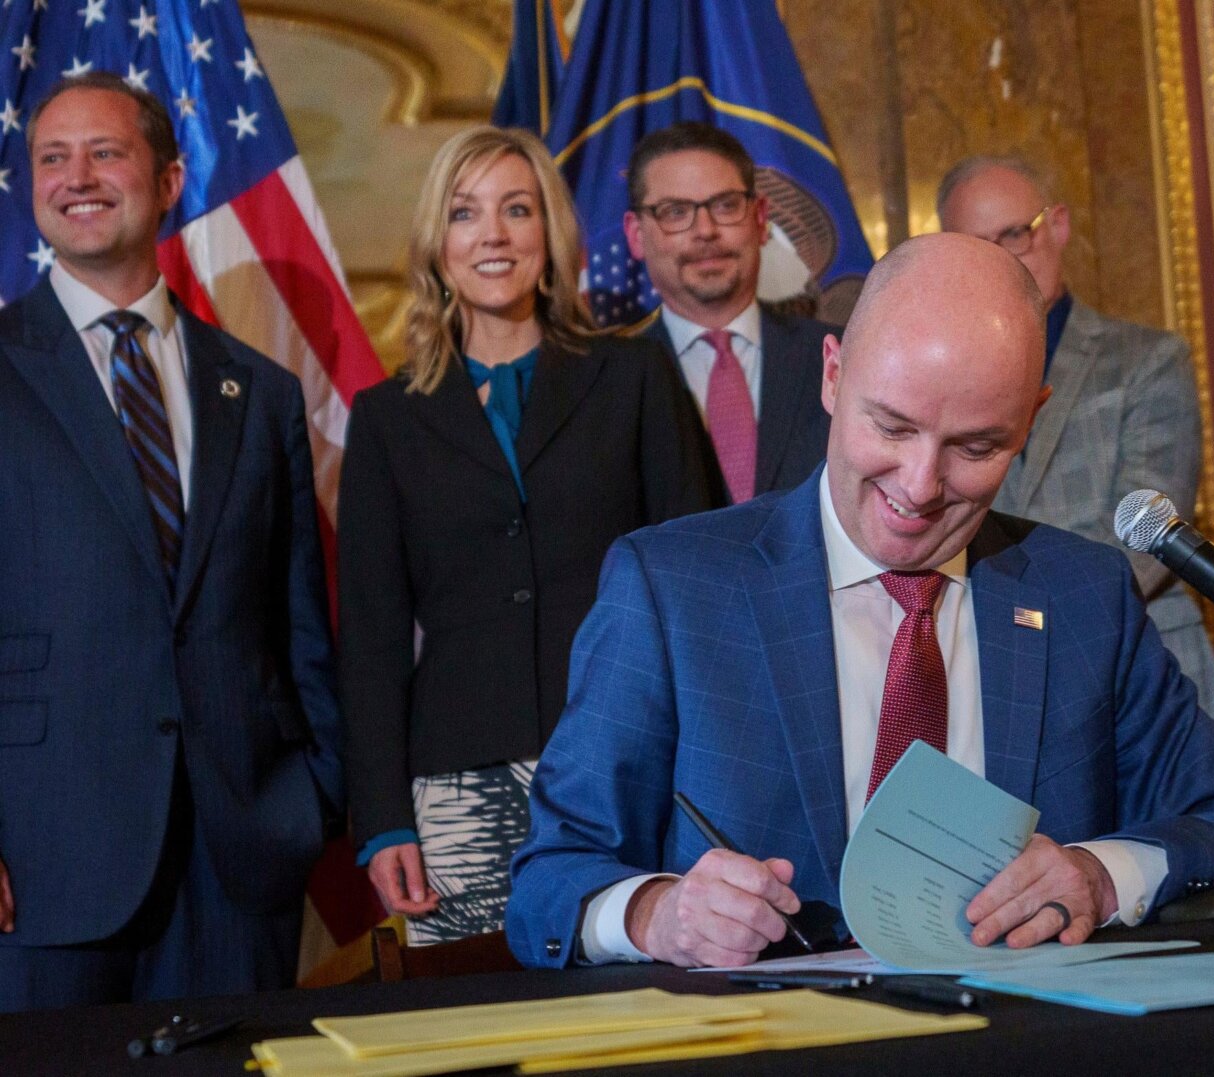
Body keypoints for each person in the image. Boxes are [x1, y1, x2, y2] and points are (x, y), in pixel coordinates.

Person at [506, 233, 1214, 969]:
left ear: (1031, 419)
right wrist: (655, 912)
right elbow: (550, 877)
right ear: (831, 376)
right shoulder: (673, 588)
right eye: (892, 427)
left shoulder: (1083, 597)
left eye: (976, 446)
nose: (921, 487)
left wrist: (1103, 876)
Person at [0, 75, 342, 1010]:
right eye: (51, 157)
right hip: (43, 860)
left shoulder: (260, 392)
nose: (78, 176)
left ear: (169, 177)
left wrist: (313, 804)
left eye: (105, 151)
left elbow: (296, 622)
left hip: (239, 861)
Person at [337, 127, 721, 943]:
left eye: (518, 209)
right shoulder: (384, 419)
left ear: (550, 235)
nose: (495, 234)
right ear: (437, 246)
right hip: (456, 790)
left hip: (626, 758)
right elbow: (369, 639)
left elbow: (700, 585)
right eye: (466, 213)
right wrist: (381, 819)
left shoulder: (635, 378)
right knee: (477, 1027)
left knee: (641, 1009)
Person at [937, 156, 1214, 705]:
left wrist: (1027, 620)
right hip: (999, 677)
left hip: (1145, 663)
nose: (1002, 262)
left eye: (1014, 235)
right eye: (978, 247)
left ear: (1058, 225)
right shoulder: (944, 385)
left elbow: (1149, 536)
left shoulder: (1148, 361)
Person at [624, 121, 834, 505]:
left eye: (725, 206)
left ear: (759, 218)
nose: (705, 230)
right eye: (675, 211)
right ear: (636, 235)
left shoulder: (840, 357)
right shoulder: (607, 383)